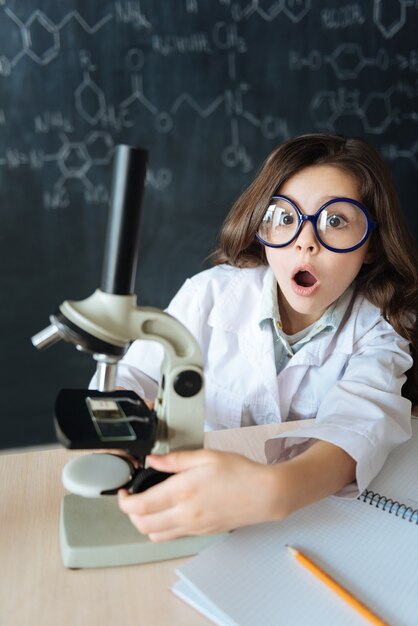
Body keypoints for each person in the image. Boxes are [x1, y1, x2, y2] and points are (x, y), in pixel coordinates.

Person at [100, 133, 418, 542]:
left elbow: (357, 426)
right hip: (191, 493)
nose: (305, 240)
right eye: (286, 217)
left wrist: (274, 492)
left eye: (335, 221)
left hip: (312, 518)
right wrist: (121, 433)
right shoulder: (211, 294)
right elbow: (132, 378)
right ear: (263, 226)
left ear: (370, 244)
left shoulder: (380, 327)